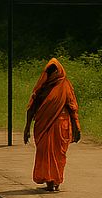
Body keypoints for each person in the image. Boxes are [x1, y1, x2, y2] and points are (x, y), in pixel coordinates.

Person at [22, 58, 81, 191]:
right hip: (43, 126)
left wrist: (77, 127)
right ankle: (49, 182)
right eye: (49, 72)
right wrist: (26, 128)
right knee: (44, 153)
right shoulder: (42, 87)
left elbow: (72, 108)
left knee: (58, 155)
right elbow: (32, 107)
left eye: (54, 71)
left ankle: (56, 182)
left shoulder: (65, 85)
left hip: (61, 126)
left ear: (59, 71)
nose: (52, 74)